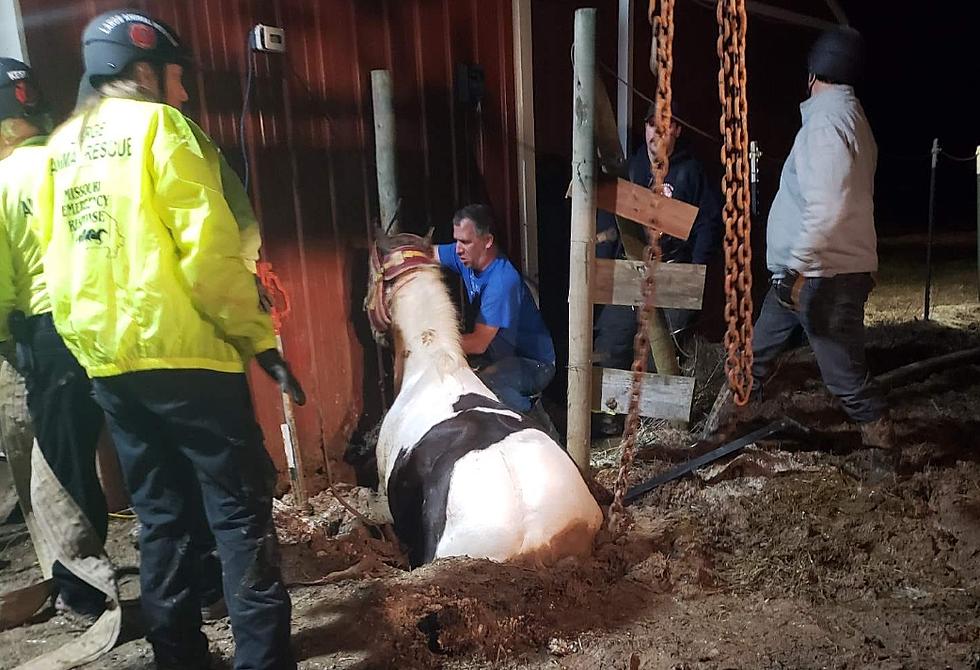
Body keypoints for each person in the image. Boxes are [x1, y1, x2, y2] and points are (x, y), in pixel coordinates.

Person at [36, 11, 304, 668]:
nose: (183, 94)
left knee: (159, 517)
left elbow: (55, 260)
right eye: (177, 78)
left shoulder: (61, 149)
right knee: (240, 514)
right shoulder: (164, 130)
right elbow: (210, 258)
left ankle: (179, 656)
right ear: (145, 70)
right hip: (189, 359)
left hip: (111, 367)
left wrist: (90, 351)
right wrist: (259, 339)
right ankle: (264, 661)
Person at [0, 57, 110, 621]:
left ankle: (82, 590)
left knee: (64, 467)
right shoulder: (76, 158)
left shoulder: (4, 178)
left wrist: (7, 342)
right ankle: (196, 578)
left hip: (46, 330)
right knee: (141, 453)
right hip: (109, 319)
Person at [751, 26, 892, 447]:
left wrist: (795, 269)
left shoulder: (826, 126)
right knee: (754, 356)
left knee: (843, 375)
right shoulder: (848, 120)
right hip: (807, 274)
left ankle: (883, 446)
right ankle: (724, 426)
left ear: (813, 76)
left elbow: (828, 206)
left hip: (818, 278)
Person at [592, 100, 723, 424]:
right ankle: (610, 416)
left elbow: (708, 223)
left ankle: (655, 423)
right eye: (651, 125)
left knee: (661, 351)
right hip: (630, 268)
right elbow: (611, 221)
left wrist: (695, 270)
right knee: (612, 341)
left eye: (663, 126)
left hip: (674, 270)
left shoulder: (690, 172)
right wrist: (603, 270)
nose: (655, 133)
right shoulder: (631, 169)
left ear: (676, 130)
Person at [435, 204, 556, 418]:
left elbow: (479, 344)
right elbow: (428, 253)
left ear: (487, 241)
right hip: (500, 356)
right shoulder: (464, 256)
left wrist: (431, 345)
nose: (457, 248)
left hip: (534, 364)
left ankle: (534, 422)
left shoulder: (501, 282)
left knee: (486, 383)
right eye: (456, 240)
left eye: (465, 241)